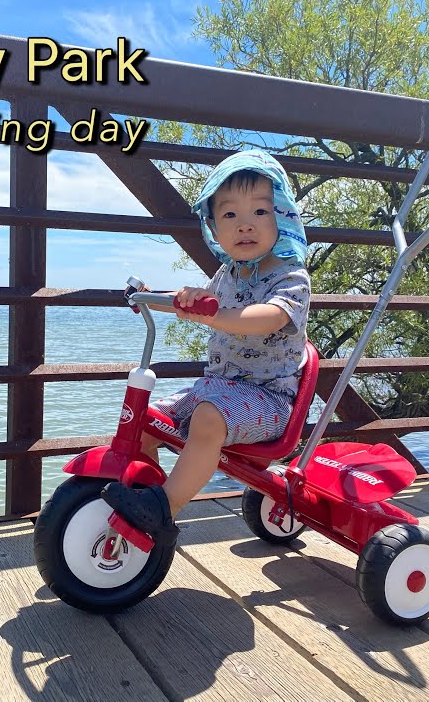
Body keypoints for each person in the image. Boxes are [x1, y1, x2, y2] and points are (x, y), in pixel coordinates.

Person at [102, 149, 311, 547]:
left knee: (208, 420)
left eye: (260, 212)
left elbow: (267, 316)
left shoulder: (291, 277)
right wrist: (156, 298)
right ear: (213, 227)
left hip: (269, 400)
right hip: (216, 389)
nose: (245, 224)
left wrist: (215, 315)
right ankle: (135, 492)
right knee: (146, 417)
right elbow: (199, 305)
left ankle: (164, 508)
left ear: (283, 216)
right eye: (230, 215)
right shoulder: (226, 274)